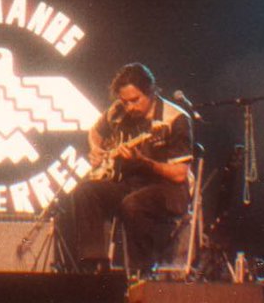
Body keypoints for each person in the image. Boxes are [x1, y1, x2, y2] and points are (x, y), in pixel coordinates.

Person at [64, 62, 194, 275]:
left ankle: (140, 272)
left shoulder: (175, 119)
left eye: (135, 101)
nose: (130, 107)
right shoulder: (118, 111)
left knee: (133, 204)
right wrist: (96, 149)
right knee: (85, 191)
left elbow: (179, 174)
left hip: (168, 189)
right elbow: (95, 132)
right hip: (130, 184)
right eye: (125, 102)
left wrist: (144, 162)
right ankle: (94, 264)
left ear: (151, 92)